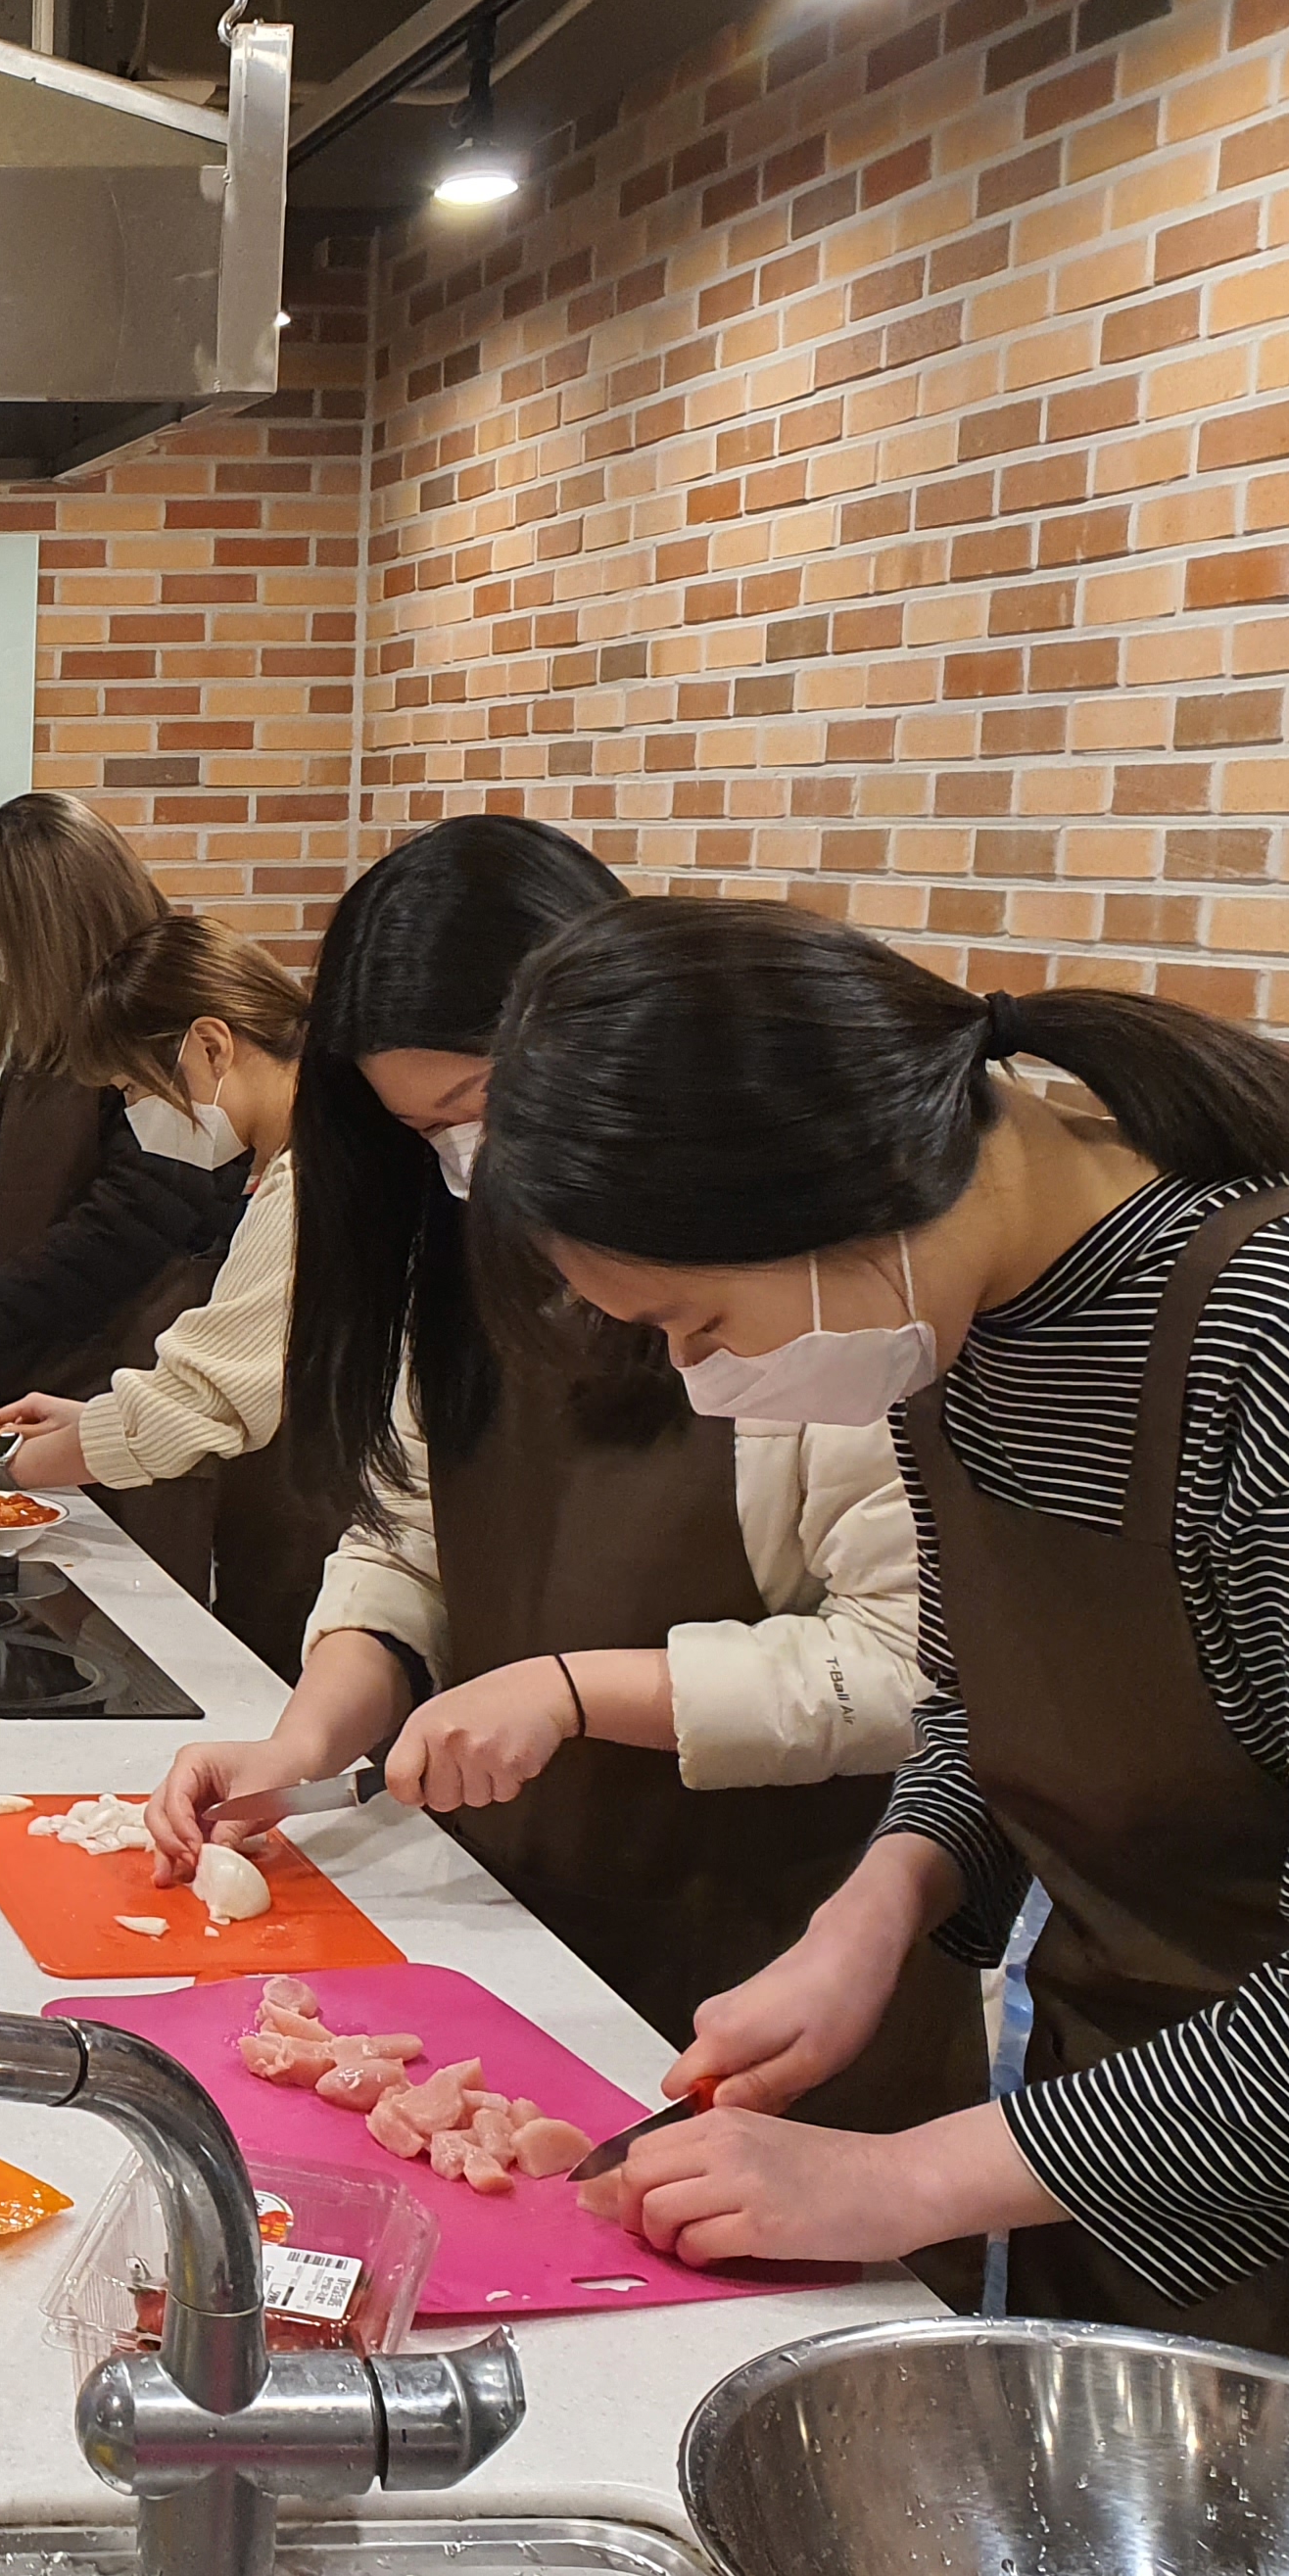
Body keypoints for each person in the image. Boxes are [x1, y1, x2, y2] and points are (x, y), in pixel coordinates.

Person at [484, 897, 1289, 2404]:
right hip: (1104, 2152)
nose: (696, 1378)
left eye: (695, 1322)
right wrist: (877, 1910)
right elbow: (982, 1700)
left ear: (836, 1184)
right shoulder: (954, 1321)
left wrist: (901, 2181)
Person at [149, 816, 981, 2179]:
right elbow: (406, 1538)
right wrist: (304, 1741)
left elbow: (913, 1670)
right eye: (425, 1133)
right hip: (517, 1927)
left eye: (477, 1109)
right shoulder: (461, 1263)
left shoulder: (810, 1292)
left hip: (770, 1961)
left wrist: (575, 1690)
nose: (468, 1163)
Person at [0, 910, 341, 1671]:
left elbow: (192, 1407)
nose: (137, 1119)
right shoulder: (293, 1166)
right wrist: (93, 1419)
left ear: (211, 1045)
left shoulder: (311, 1182)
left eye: (135, 1090)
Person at [0, 793, 240, 1410]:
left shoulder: (173, 1031)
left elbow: (123, 1233)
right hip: (31, 1370)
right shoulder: (50, 1030)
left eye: (6, 945)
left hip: (114, 1390)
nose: (2, 971)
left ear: (54, 932)